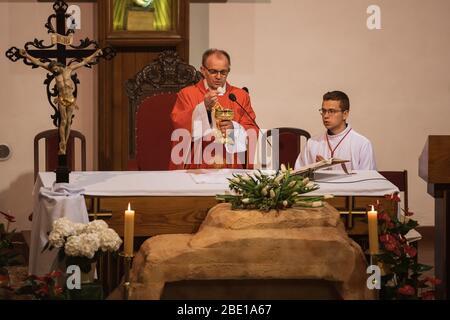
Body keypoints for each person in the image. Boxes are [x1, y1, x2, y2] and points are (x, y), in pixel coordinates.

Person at [170, 49, 258, 169]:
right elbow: (179, 124)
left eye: (223, 72)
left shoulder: (240, 96)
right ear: (203, 70)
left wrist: (234, 128)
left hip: (231, 163)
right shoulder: (187, 94)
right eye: (213, 71)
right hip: (198, 162)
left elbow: (252, 128)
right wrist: (203, 108)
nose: (218, 77)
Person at [20, 48, 102, 155]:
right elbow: (38, 62)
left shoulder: (69, 69)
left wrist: (95, 53)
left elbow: (85, 61)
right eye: (53, 69)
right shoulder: (54, 73)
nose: (54, 71)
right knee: (63, 121)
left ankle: (65, 143)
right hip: (62, 99)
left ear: (59, 66)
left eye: (55, 68)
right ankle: (62, 144)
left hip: (71, 99)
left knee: (68, 122)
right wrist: (26, 55)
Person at [294, 91, 376, 171]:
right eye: (323, 111)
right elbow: (298, 175)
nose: (325, 116)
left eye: (331, 111)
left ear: (345, 114)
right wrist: (316, 170)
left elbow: (367, 181)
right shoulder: (312, 143)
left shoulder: (362, 144)